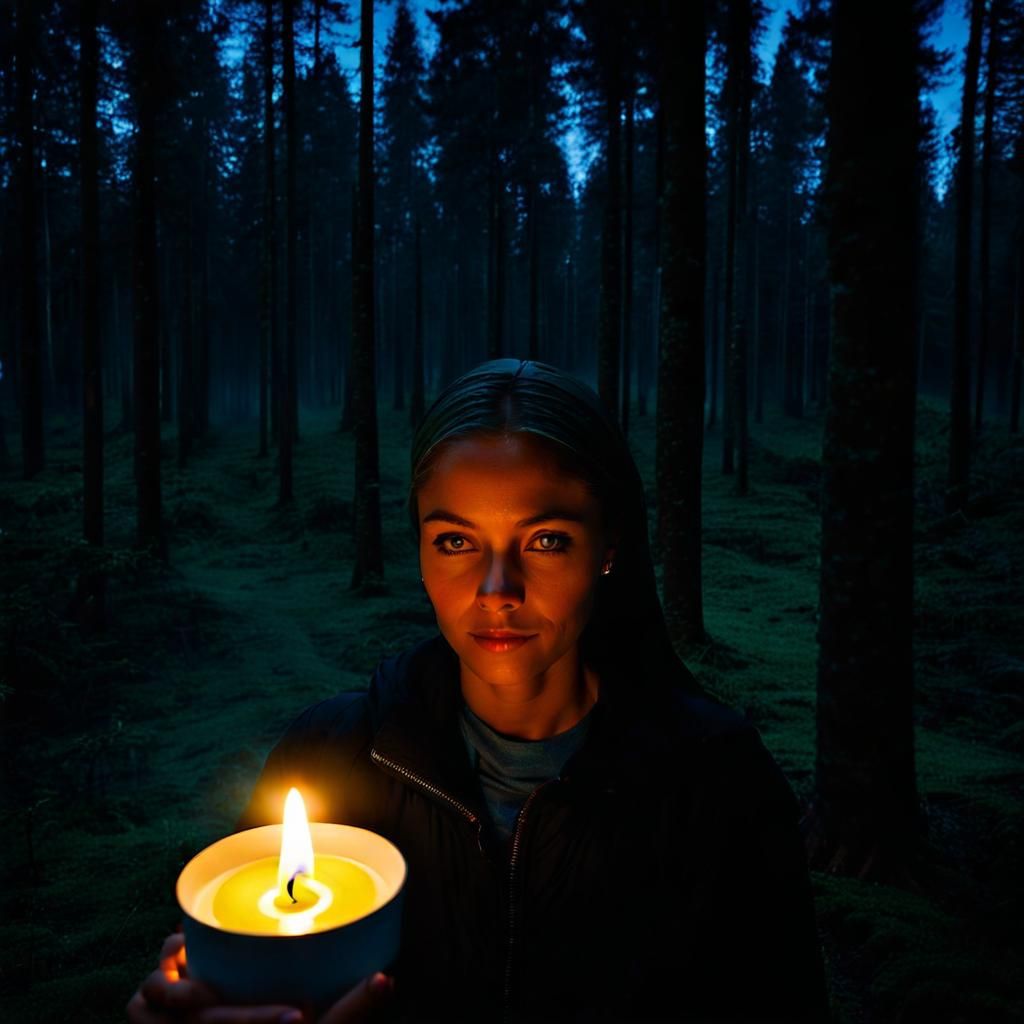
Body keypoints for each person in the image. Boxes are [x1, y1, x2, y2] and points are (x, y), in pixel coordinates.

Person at [128, 359, 830, 1024]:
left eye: (546, 540)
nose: (497, 592)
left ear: (610, 546)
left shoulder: (719, 787)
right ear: (422, 551)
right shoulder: (327, 759)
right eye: (457, 542)